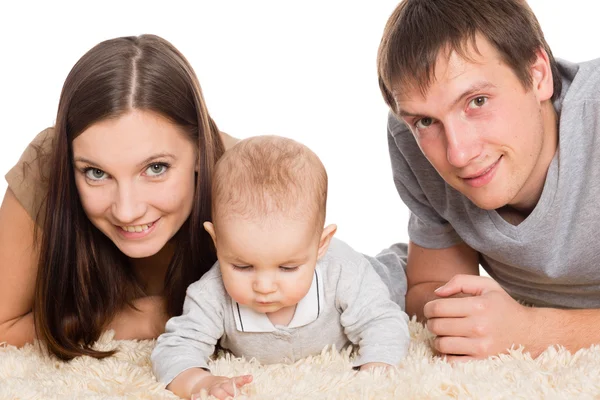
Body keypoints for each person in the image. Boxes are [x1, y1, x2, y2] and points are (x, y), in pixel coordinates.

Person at [376, 0, 600, 361]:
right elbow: (432, 286)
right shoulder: (410, 138)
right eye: (426, 121)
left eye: (477, 101)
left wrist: (531, 332)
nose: (458, 155)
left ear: (538, 74)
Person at [0, 34, 239, 359]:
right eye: (95, 173)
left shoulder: (246, 179)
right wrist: (151, 316)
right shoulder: (47, 168)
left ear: (200, 151)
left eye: (155, 168)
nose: (127, 211)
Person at [151, 136, 410, 400]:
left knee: (401, 280)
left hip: (382, 273)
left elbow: (383, 321)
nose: (264, 287)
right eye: (242, 266)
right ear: (217, 242)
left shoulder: (344, 270)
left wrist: (376, 369)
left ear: (320, 245)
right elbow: (177, 345)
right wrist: (198, 381)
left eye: (287, 268)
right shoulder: (211, 292)